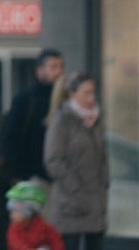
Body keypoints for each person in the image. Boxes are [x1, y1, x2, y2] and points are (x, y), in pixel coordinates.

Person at [43, 71, 108, 250]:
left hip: (95, 203)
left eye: (93, 92)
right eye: (86, 92)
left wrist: (104, 182)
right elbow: (53, 160)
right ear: (72, 94)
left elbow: (102, 156)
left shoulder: (95, 119)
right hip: (70, 204)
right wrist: (75, 187)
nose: (91, 97)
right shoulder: (62, 120)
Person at [1, 49, 66, 188]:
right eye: (53, 67)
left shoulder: (66, 101)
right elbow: (10, 139)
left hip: (61, 181)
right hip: (33, 180)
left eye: (61, 67)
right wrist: (22, 175)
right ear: (39, 71)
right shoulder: (26, 99)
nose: (59, 72)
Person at [5, 180, 64, 250]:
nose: (11, 215)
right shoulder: (14, 228)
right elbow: (15, 243)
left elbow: (55, 238)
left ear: (28, 211)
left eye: (16, 211)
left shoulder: (42, 225)